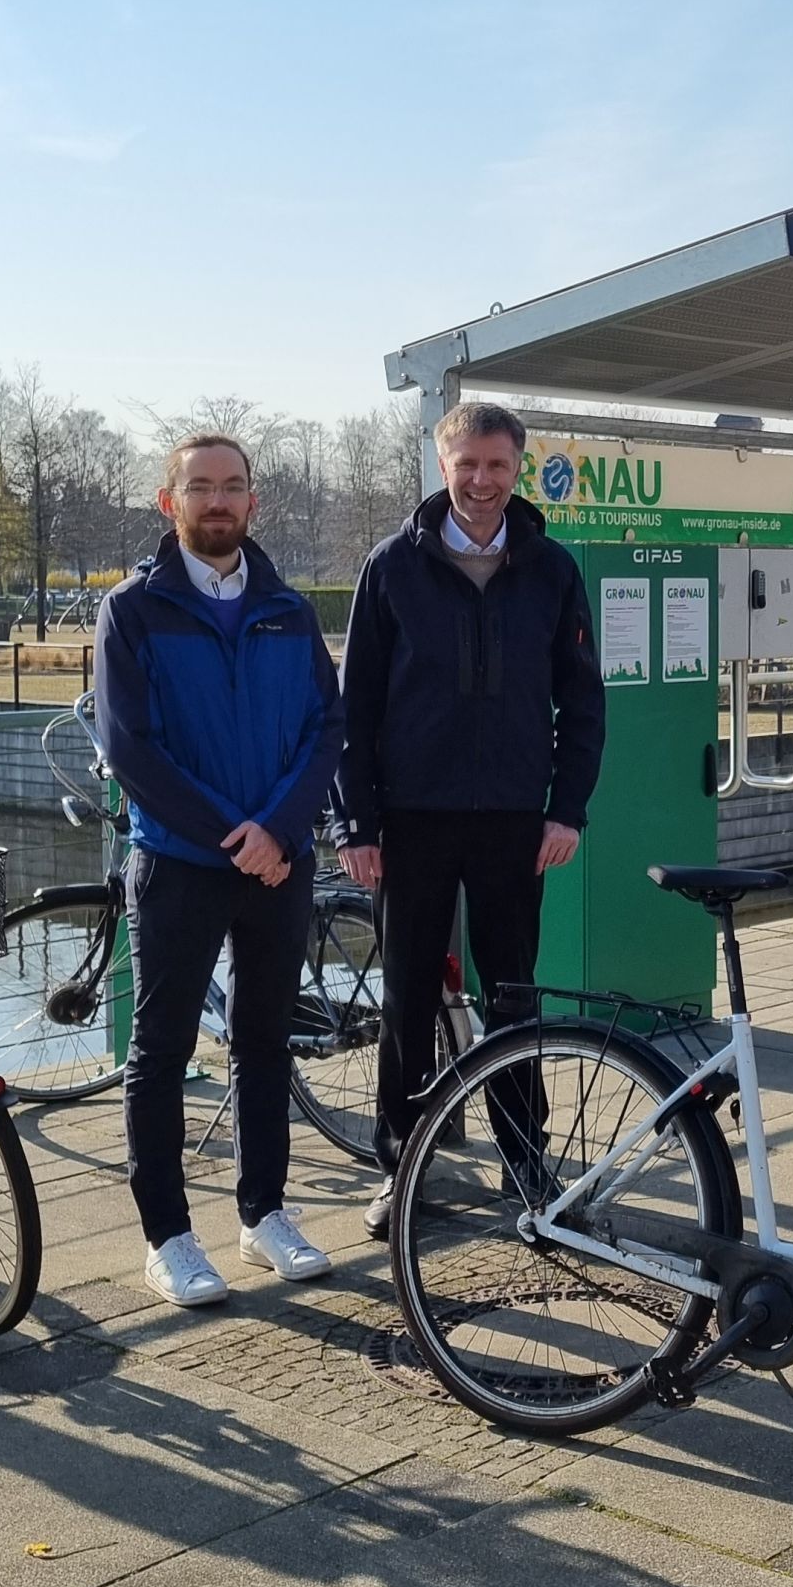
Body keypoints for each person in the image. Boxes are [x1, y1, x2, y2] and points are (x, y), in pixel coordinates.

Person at [335, 400, 605, 1230]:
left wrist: (567, 812)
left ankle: (524, 1160)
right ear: (441, 464)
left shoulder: (552, 570)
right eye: (468, 466)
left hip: (513, 822)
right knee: (408, 998)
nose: (482, 483)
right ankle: (404, 1167)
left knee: (515, 995)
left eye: (498, 466)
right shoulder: (392, 568)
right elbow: (355, 708)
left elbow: (583, 703)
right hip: (412, 820)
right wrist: (358, 824)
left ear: (517, 468)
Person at [94, 434, 347, 1307]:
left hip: (280, 862)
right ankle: (168, 1237)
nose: (217, 502)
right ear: (170, 503)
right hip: (178, 864)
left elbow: (327, 727)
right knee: (160, 1052)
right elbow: (130, 748)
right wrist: (234, 835)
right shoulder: (133, 612)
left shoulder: (287, 608)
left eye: (232, 488)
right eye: (199, 487)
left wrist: (278, 829)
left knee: (265, 1044)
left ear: (254, 504)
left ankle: (263, 1214)